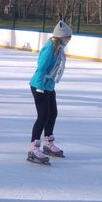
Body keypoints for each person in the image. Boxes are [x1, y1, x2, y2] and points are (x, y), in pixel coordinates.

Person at [27, 20, 72, 165]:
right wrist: (40, 87)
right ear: (61, 37)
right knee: (42, 116)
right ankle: (33, 147)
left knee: (52, 113)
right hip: (39, 85)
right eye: (67, 37)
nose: (69, 40)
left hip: (49, 86)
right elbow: (41, 67)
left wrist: (49, 86)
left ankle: (48, 142)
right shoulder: (50, 48)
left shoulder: (58, 48)